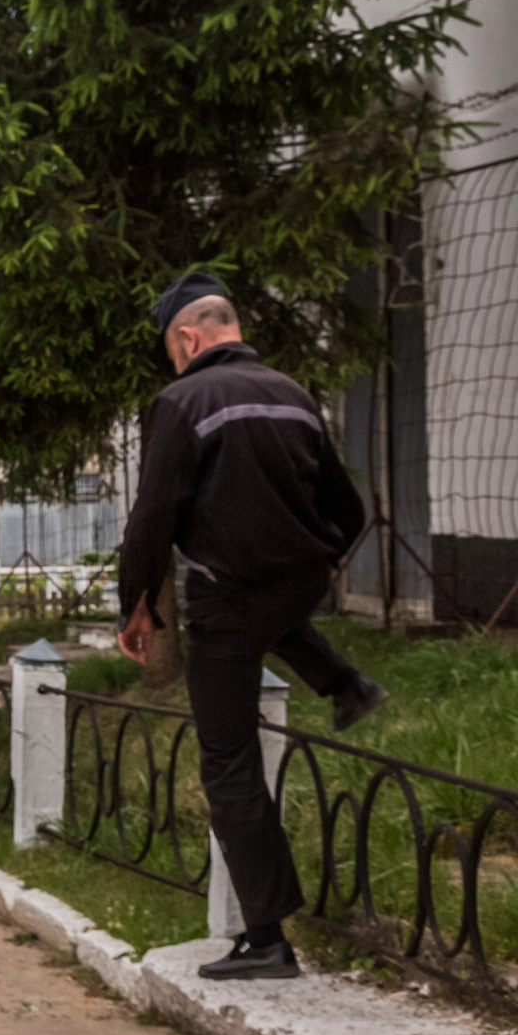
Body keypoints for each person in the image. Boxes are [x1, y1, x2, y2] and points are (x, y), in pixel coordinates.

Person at [119, 271, 385, 982]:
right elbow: (348, 508)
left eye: (171, 349)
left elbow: (152, 518)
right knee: (275, 618)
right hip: (296, 584)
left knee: (228, 762)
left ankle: (267, 938)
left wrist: (136, 605)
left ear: (187, 337)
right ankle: (348, 684)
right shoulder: (294, 395)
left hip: (229, 596)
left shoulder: (181, 401)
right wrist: (323, 555)